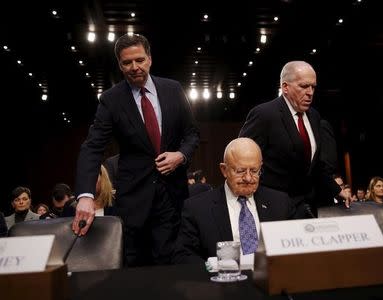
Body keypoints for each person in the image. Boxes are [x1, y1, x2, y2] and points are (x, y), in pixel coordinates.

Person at [73, 33, 199, 266]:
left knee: (172, 265)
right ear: (120, 65)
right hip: (135, 203)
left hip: (173, 196)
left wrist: (180, 156)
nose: (134, 67)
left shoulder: (173, 89)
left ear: (149, 59)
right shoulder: (110, 100)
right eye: (127, 63)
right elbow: (92, 147)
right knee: (137, 269)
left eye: (139, 60)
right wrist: (85, 196)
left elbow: (192, 134)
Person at [239, 61, 351, 217]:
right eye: (304, 86)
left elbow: (315, 165)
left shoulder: (314, 116)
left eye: (313, 87)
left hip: (306, 207)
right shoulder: (264, 115)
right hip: (273, 209)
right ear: (285, 87)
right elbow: (242, 158)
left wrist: (337, 190)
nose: (310, 92)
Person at [173, 138, 297, 264]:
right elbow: (183, 255)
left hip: (272, 279)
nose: (248, 178)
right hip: (222, 280)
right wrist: (213, 268)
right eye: (240, 171)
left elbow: (296, 249)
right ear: (224, 170)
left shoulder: (280, 203)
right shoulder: (197, 208)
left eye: (254, 171)